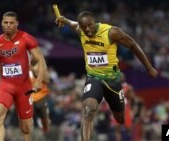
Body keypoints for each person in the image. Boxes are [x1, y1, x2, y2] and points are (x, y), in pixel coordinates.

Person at [55, 11, 158, 141]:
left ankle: (119, 110)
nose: (87, 29)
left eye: (90, 25)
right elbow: (73, 24)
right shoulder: (81, 30)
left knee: (120, 119)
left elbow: (133, 45)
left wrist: (148, 67)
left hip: (113, 79)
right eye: (84, 27)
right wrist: (65, 20)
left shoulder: (111, 32)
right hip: (94, 77)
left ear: (94, 22)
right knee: (88, 110)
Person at [0, 11, 48, 141]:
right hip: (5, 85)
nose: (8, 25)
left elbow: (40, 60)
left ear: (17, 24)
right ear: (1, 24)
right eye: (5, 22)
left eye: (11, 23)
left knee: (26, 128)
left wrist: (38, 81)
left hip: (24, 88)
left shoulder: (26, 38)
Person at [29, 59, 51, 134]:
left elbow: (47, 80)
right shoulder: (25, 70)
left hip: (41, 97)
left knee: (45, 119)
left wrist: (37, 72)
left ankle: (46, 132)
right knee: (27, 119)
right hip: (29, 98)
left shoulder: (43, 69)